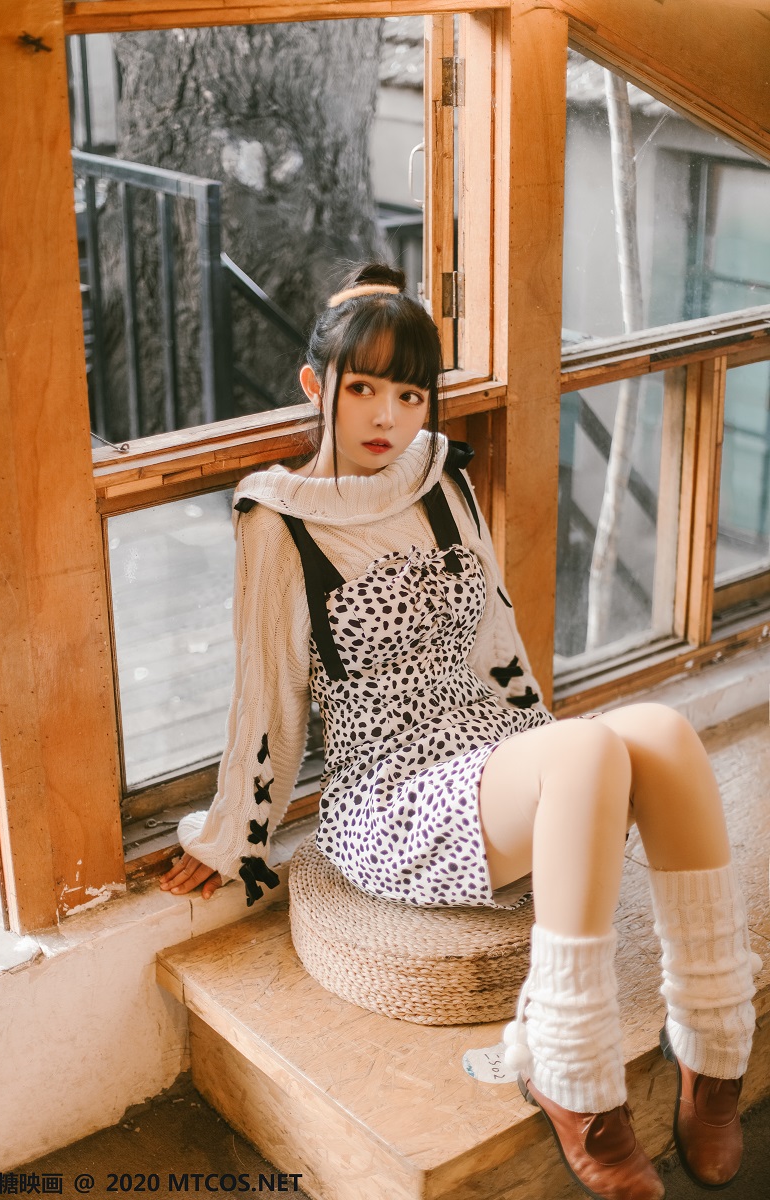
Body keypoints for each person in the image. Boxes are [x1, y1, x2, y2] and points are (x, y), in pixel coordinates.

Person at [160, 263, 759, 1200]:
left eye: (409, 394)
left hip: (485, 747)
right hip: (389, 795)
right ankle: (568, 1067)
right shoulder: (278, 520)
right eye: (363, 388)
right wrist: (233, 833)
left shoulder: (439, 480)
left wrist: (567, 776)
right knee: (592, 750)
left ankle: (713, 1044)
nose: (387, 417)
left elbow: (496, 636)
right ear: (316, 386)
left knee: (662, 733)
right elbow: (263, 692)